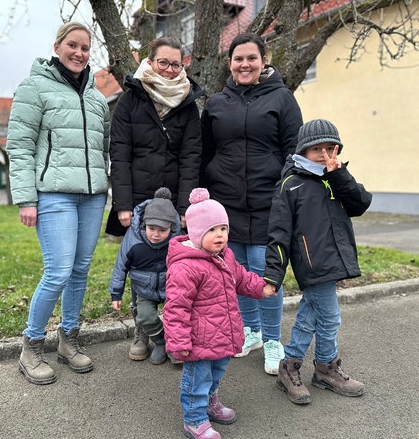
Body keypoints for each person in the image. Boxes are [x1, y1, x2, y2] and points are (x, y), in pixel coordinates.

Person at [6, 22, 110, 385]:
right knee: (59, 271)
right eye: (72, 45)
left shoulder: (97, 98)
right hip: (53, 194)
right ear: (58, 46)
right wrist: (25, 198)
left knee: (81, 270)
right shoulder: (34, 88)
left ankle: (69, 339)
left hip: (93, 196)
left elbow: (104, 149)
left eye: (85, 47)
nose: (79, 53)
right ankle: (31, 345)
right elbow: (19, 146)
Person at [200, 32, 303, 375]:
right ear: (229, 63)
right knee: (237, 272)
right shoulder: (216, 103)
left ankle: (274, 339)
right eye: (238, 59)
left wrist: (284, 188)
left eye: (251, 58)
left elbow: (295, 150)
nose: (244, 64)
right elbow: (205, 152)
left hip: (267, 203)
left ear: (262, 62)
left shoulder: (282, 98)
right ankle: (251, 332)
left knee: (265, 274)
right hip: (225, 204)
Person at [106, 36, 204, 361]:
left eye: (176, 64)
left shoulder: (188, 104)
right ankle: (142, 329)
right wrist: (121, 203)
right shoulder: (130, 99)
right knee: (141, 263)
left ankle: (175, 332)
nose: (170, 69)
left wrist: (186, 206)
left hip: (175, 201)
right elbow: (118, 153)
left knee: (177, 269)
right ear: (150, 62)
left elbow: (192, 156)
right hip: (136, 199)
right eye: (164, 62)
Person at [264, 119, 372, 404]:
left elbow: (360, 203)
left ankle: (292, 368)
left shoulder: (333, 178)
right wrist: (273, 275)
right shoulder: (291, 185)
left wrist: (340, 174)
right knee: (329, 318)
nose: (325, 155)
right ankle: (325, 367)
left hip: (334, 260)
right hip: (313, 264)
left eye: (330, 148)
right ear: (303, 151)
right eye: (317, 150)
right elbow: (278, 235)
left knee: (310, 315)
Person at [163, 188, 276, 439]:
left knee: (216, 373)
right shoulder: (186, 267)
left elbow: (241, 278)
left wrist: (261, 287)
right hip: (198, 339)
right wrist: (179, 341)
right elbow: (176, 308)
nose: (220, 235)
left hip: (223, 334)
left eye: (223, 229)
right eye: (211, 230)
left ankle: (210, 402)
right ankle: (194, 418)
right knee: (197, 379)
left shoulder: (225, 256)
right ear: (195, 232)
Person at [108, 187, 181, 365]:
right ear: (144, 224)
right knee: (145, 316)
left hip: (170, 288)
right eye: (151, 228)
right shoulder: (133, 240)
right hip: (144, 290)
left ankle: (176, 344)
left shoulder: (177, 241)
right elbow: (120, 266)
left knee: (179, 316)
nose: (156, 235)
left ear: (171, 228)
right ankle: (161, 342)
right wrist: (116, 293)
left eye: (162, 230)